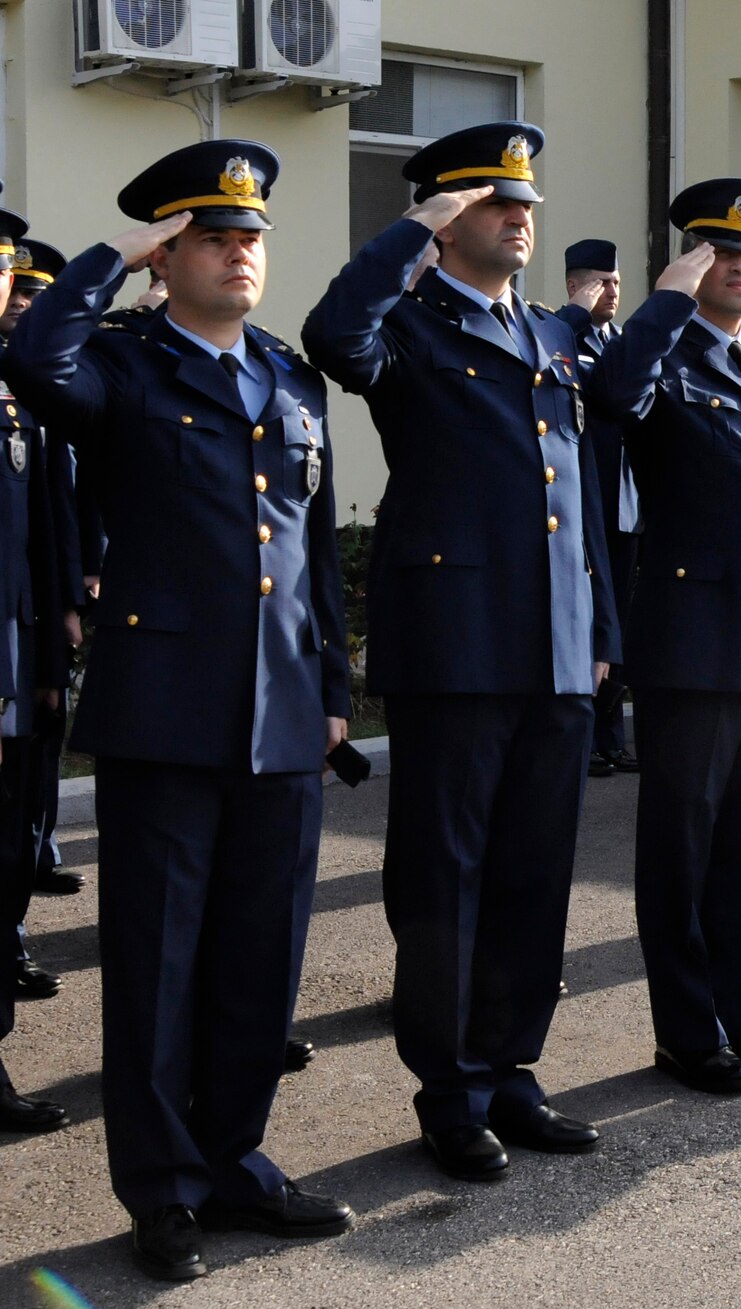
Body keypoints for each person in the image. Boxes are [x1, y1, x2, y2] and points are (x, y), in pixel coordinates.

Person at [7, 140, 355, 1279]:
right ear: (168, 256)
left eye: (251, 236)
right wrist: (113, 255)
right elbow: (31, 354)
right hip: (166, 711)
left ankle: (235, 1157)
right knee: (158, 960)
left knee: (263, 957)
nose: (241, 253)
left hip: (286, 717)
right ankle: (162, 1190)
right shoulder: (121, 366)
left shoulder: (291, 376)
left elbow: (313, 562)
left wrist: (337, 693)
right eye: (215, 235)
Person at [303, 122, 616, 1180]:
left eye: (526, 203)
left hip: (556, 648)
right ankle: (448, 1089)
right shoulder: (408, 323)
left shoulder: (551, 335)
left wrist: (602, 630)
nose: (520, 218)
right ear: (444, 217)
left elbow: (575, 499)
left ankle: (510, 1067)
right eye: (495, 203)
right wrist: (408, 235)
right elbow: (332, 337)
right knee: (446, 876)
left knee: (535, 873)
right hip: (456, 643)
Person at [586, 177, 741, 1095]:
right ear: (692, 261)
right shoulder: (659, 354)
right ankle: (686, 1031)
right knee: (682, 848)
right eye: (726, 256)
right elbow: (607, 398)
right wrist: (663, 302)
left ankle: (739, 1011)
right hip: (693, 641)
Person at [0, 205, 69, 1139]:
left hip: (14, 661)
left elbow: (42, 536)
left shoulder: (14, 391)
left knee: (6, 855)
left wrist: (50, 659)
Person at [556, 238, 642, 778]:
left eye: (616, 282)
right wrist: (575, 315)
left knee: (620, 623)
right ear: (575, 286)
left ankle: (613, 736)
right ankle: (585, 738)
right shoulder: (563, 335)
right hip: (592, 501)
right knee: (591, 622)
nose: (612, 292)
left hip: (628, 498)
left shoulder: (623, 340)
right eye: (601, 283)